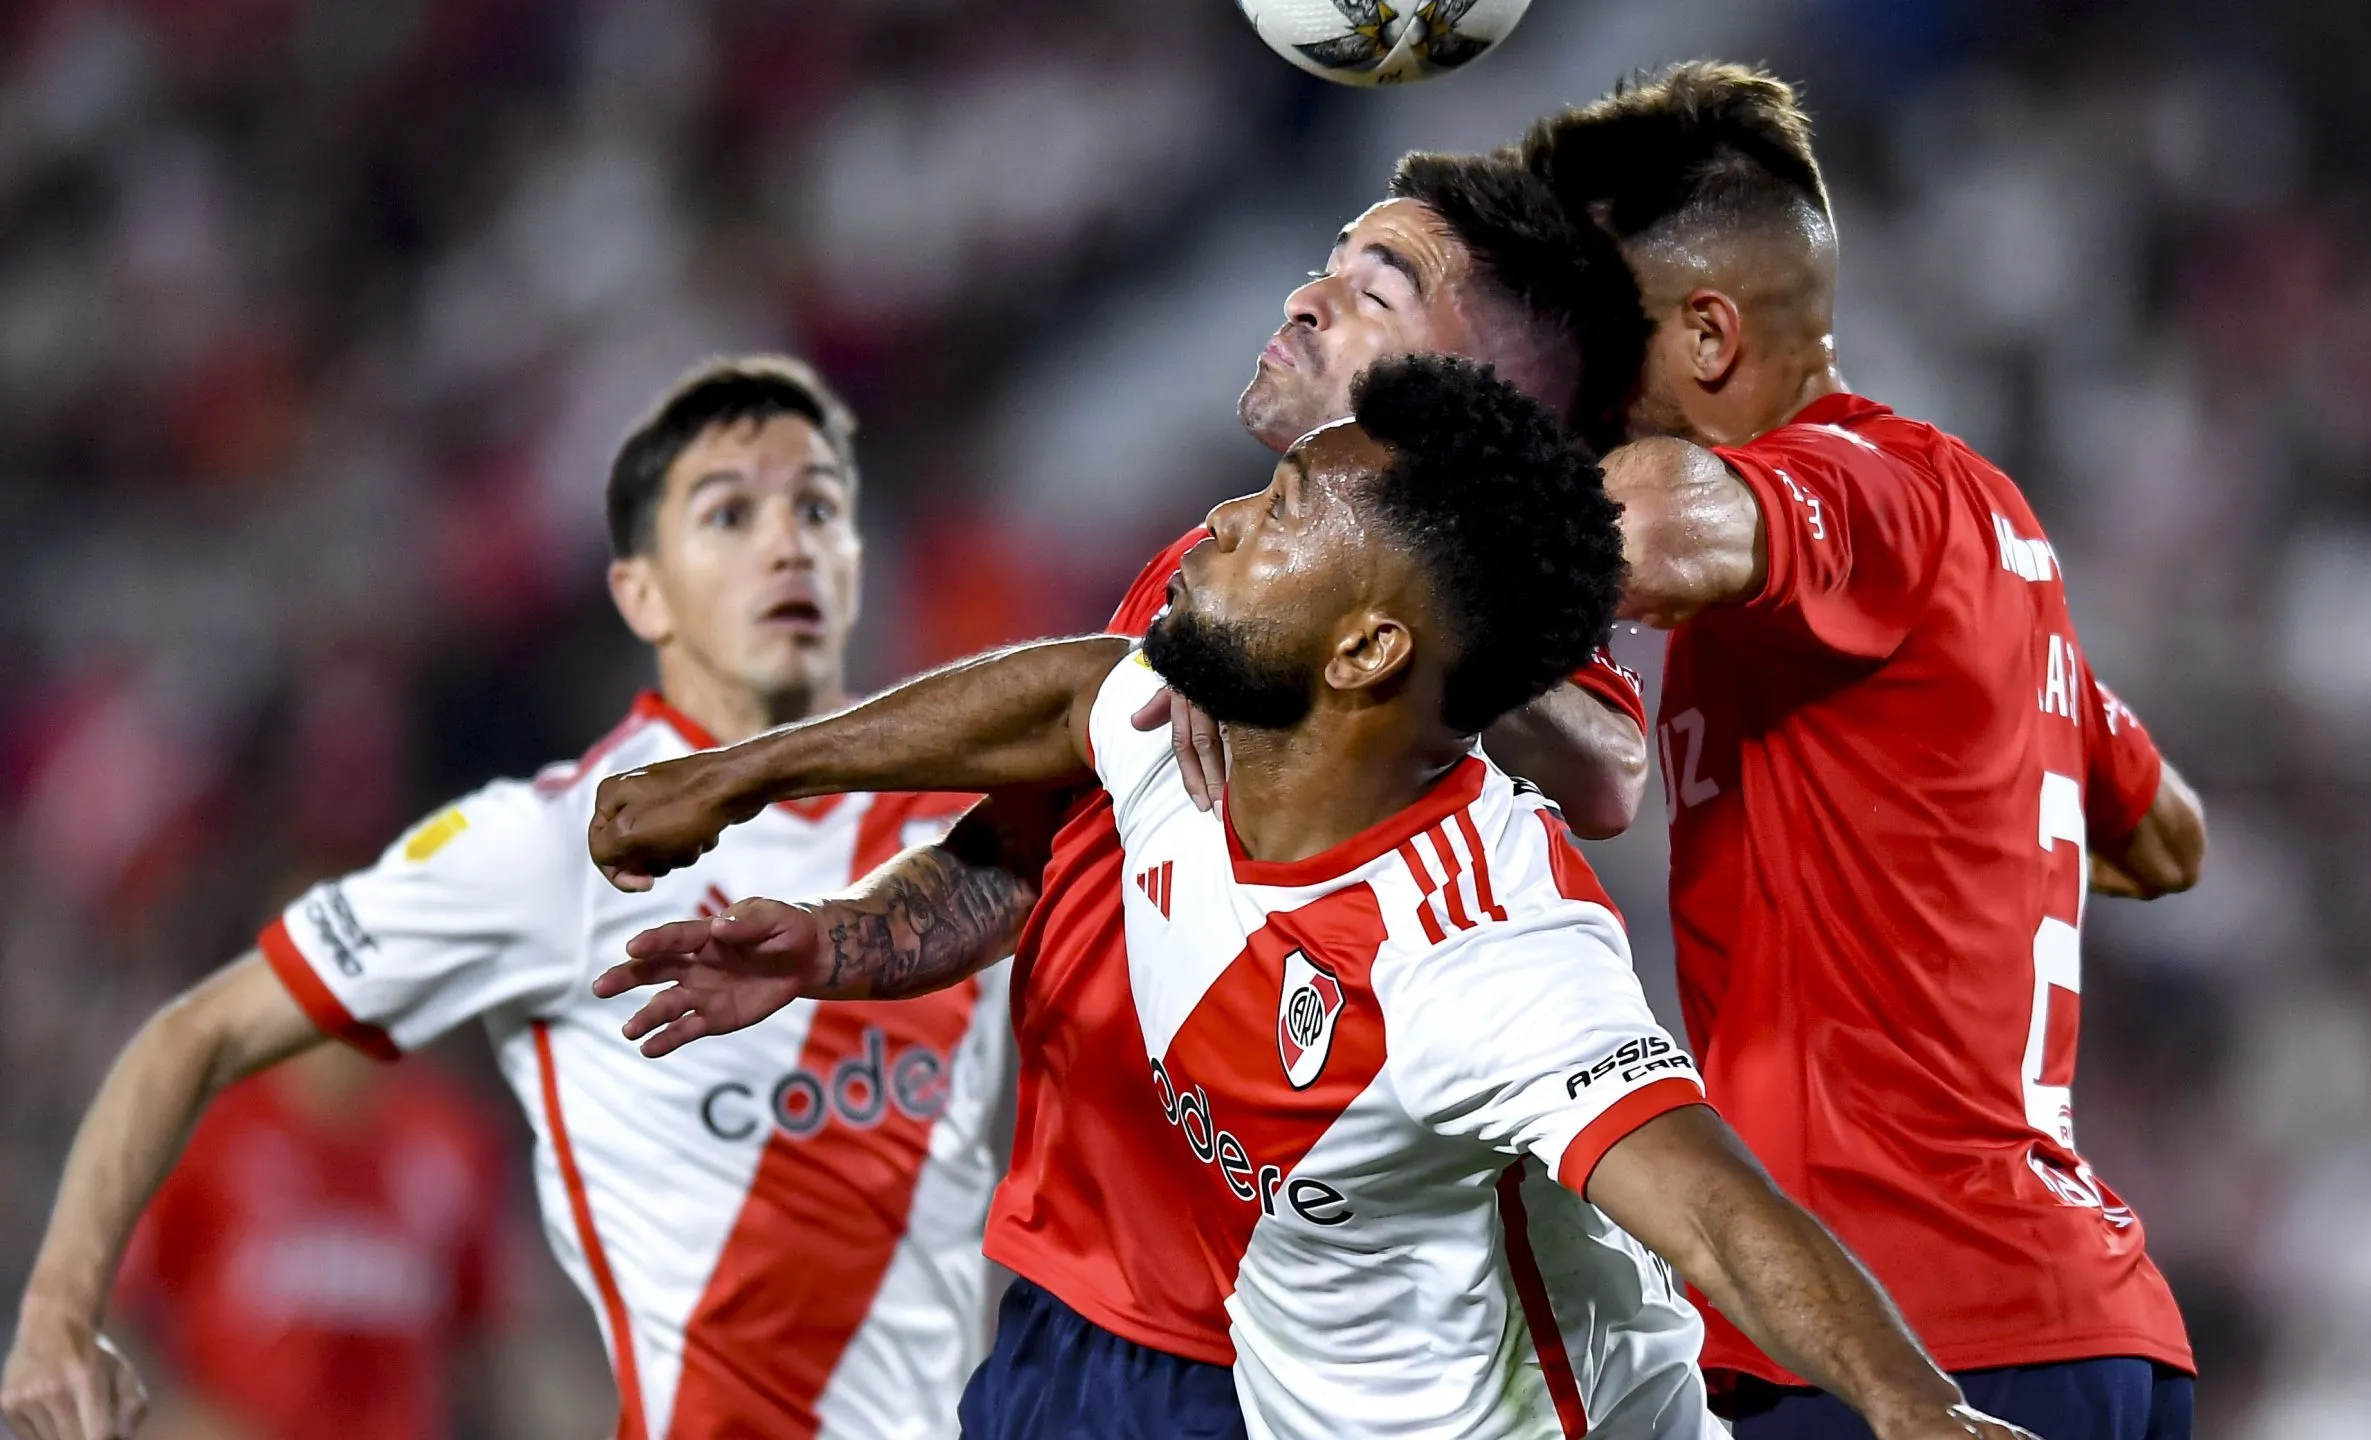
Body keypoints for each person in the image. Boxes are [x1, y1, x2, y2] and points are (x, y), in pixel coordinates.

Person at [590, 355, 2036, 1440]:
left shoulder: (1479, 949)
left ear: (1366, 651)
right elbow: (1076, 695)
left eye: (1281, 511)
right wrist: (752, 781)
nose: (1221, 518)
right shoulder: (1202, 734)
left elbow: (1714, 1209)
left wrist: (1919, 1416)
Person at [589, 152, 1661, 1436]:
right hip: (1065, 1301)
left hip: (1275, 1359)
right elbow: (1035, 853)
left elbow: (1606, 770)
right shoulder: (1215, 569)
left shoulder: (1457, 635)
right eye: (1332, 253)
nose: (1312, 294)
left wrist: (1433, 592)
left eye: (1380, 289)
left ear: (1467, 396)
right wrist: (828, 941)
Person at [1, 356, 1007, 1440]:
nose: (782, 545)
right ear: (640, 590)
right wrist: (56, 1319)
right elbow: (190, 1037)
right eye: (727, 516)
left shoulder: (979, 833)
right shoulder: (539, 851)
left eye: (814, 508)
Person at [1514, 64, 2210, 1440]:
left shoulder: (1857, 487)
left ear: (1706, 336)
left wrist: (1456, 434)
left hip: (1908, 1344)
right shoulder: (1990, 554)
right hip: (2070, 1328)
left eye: (1589, 332)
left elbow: (1646, 530)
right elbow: (2164, 832)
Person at [112, 1045, 511, 1440]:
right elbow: (122, 1304)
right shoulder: (212, 1127)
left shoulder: (451, 1134)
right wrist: (169, 1409)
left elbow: (479, 1330)